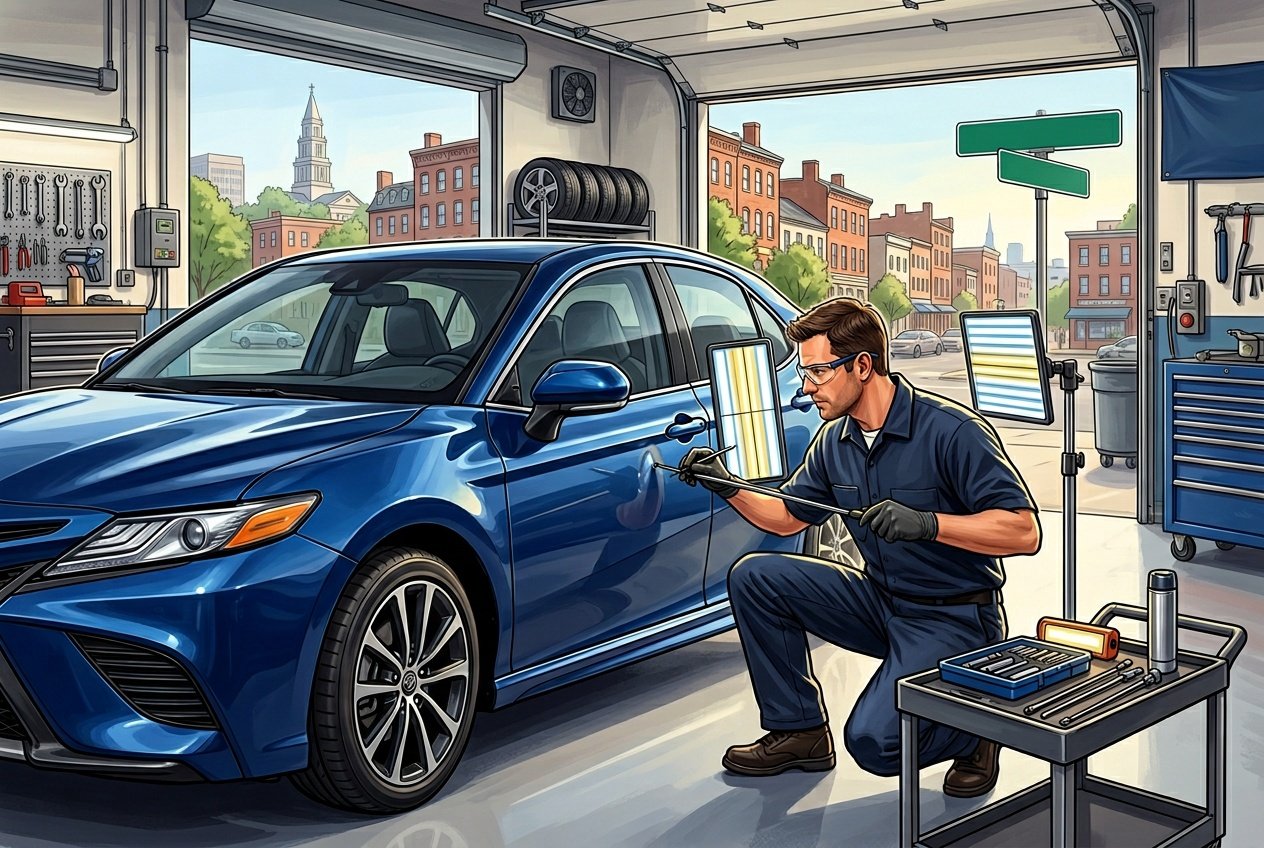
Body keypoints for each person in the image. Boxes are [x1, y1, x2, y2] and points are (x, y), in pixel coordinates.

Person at [680, 297, 1040, 798]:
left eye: (818, 373)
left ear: (863, 366)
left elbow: (1023, 531)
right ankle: (800, 731)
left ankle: (979, 729)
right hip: (879, 601)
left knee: (874, 743)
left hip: (951, 617)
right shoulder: (835, 441)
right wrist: (726, 485)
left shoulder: (951, 431)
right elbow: (787, 517)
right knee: (756, 576)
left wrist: (928, 524)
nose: (806, 387)